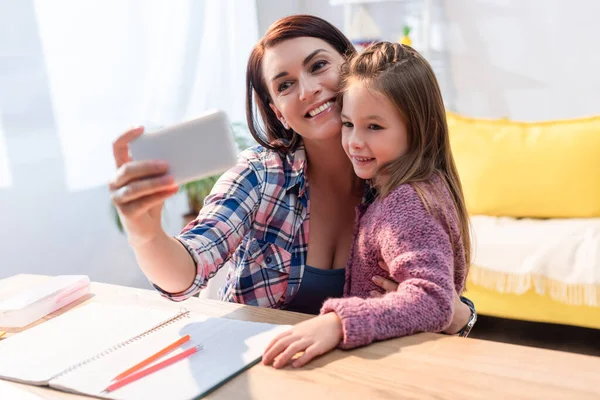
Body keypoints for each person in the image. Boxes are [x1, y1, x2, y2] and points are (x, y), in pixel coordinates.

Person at [109, 15, 474, 333]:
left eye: (318, 66)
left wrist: (458, 315)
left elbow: (437, 294)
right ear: (278, 111)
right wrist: (145, 235)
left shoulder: (399, 183)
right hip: (256, 365)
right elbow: (187, 272)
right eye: (285, 85)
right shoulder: (260, 175)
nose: (309, 90)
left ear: (351, 67)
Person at [262, 41, 472, 369]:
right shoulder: (409, 187)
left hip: (397, 371)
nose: (354, 142)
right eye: (348, 124)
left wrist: (336, 323)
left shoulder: (406, 203)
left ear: (419, 128)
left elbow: (434, 299)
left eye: (374, 126)